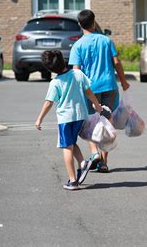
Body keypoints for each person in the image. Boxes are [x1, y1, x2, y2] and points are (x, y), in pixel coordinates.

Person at [69, 9, 130, 173]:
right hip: (109, 86)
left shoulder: (78, 45)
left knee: (89, 122)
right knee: (105, 123)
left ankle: (94, 152)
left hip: (89, 89)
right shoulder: (106, 41)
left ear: (79, 25)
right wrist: (123, 81)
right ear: (94, 22)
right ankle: (103, 162)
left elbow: (76, 71)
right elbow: (116, 62)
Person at [35, 50, 102, 190]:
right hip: (80, 115)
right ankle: (83, 163)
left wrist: (39, 119)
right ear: (64, 60)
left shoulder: (55, 82)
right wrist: (96, 104)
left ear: (49, 69)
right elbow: (88, 91)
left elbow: (49, 102)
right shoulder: (78, 74)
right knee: (71, 142)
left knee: (66, 147)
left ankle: (73, 181)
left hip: (66, 118)